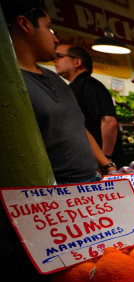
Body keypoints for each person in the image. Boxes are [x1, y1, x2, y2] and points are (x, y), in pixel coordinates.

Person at [2, 0, 116, 183]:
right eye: (49, 28)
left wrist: (108, 167)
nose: (55, 39)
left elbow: (78, 126)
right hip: (59, 192)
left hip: (93, 180)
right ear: (25, 24)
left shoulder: (54, 78)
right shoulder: (11, 85)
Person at [54, 44, 123, 165]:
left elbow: (109, 122)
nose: (55, 60)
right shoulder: (73, 87)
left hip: (100, 164)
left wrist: (105, 159)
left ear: (77, 62)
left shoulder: (90, 85)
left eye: (59, 56)